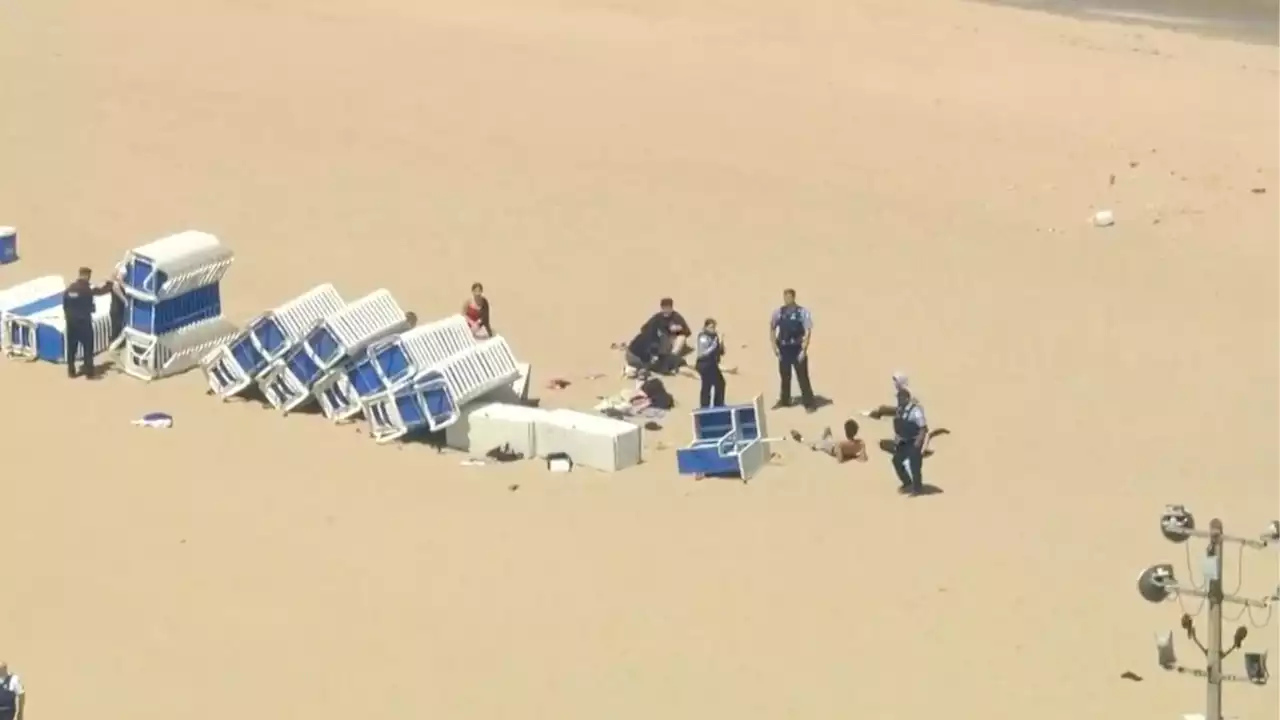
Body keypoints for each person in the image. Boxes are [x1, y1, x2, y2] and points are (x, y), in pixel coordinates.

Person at [868, 377, 928, 495]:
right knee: (896, 461)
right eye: (897, 398)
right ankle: (907, 482)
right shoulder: (900, 410)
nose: (898, 400)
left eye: (900, 398)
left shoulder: (916, 411)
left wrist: (918, 443)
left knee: (914, 466)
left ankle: (917, 488)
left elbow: (923, 428)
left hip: (914, 441)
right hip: (902, 442)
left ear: (907, 399)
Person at [770, 288, 815, 412]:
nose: (786, 299)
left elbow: (808, 330)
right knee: (785, 375)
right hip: (784, 348)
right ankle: (785, 400)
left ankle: (809, 403)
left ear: (793, 297)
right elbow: (773, 328)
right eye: (785, 297)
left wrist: (804, 350)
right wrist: (774, 347)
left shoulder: (802, 312)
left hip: (797, 348)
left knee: (802, 376)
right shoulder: (779, 312)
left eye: (789, 297)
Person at [62, 267, 111, 379]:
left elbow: (65, 306)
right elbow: (97, 298)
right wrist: (110, 283)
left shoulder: (69, 289)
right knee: (87, 348)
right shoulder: (87, 289)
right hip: (84, 323)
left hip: (71, 323)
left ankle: (71, 372)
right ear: (87, 276)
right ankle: (89, 373)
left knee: (71, 348)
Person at [641, 298, 691, 369]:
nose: (666, 310)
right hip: (660, 343)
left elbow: (688, 332)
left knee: (681, 338)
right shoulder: (657, 317)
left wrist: (679, 329)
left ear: (671, 308)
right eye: (664, 308)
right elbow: (644, 328)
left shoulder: (676, 317)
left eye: (668, 308)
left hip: (672, 342)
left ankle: (672, 357)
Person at [792, 419, 868, 463]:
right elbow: (864, 458)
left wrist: (850, 457)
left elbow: (840, 460)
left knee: (815, 444)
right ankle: (820, 438)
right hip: (833, 444)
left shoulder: (841, 444)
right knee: (827, 434)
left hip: (830, 447)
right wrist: (853, 456)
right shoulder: (861, 443)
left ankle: (801, 439)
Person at [694, 318, 726, 408]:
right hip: (704, 363)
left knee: (720, 383)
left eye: (714, 327)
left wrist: (721, 342)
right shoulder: (703, 337)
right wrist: (714, 344)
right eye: (711, 327)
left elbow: (721, 352)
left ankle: (718, 404)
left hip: (712, 364)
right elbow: (703, 352)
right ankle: (705, 406)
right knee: (707, 385)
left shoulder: (714, 336)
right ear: (706, 327)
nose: (713, 329)